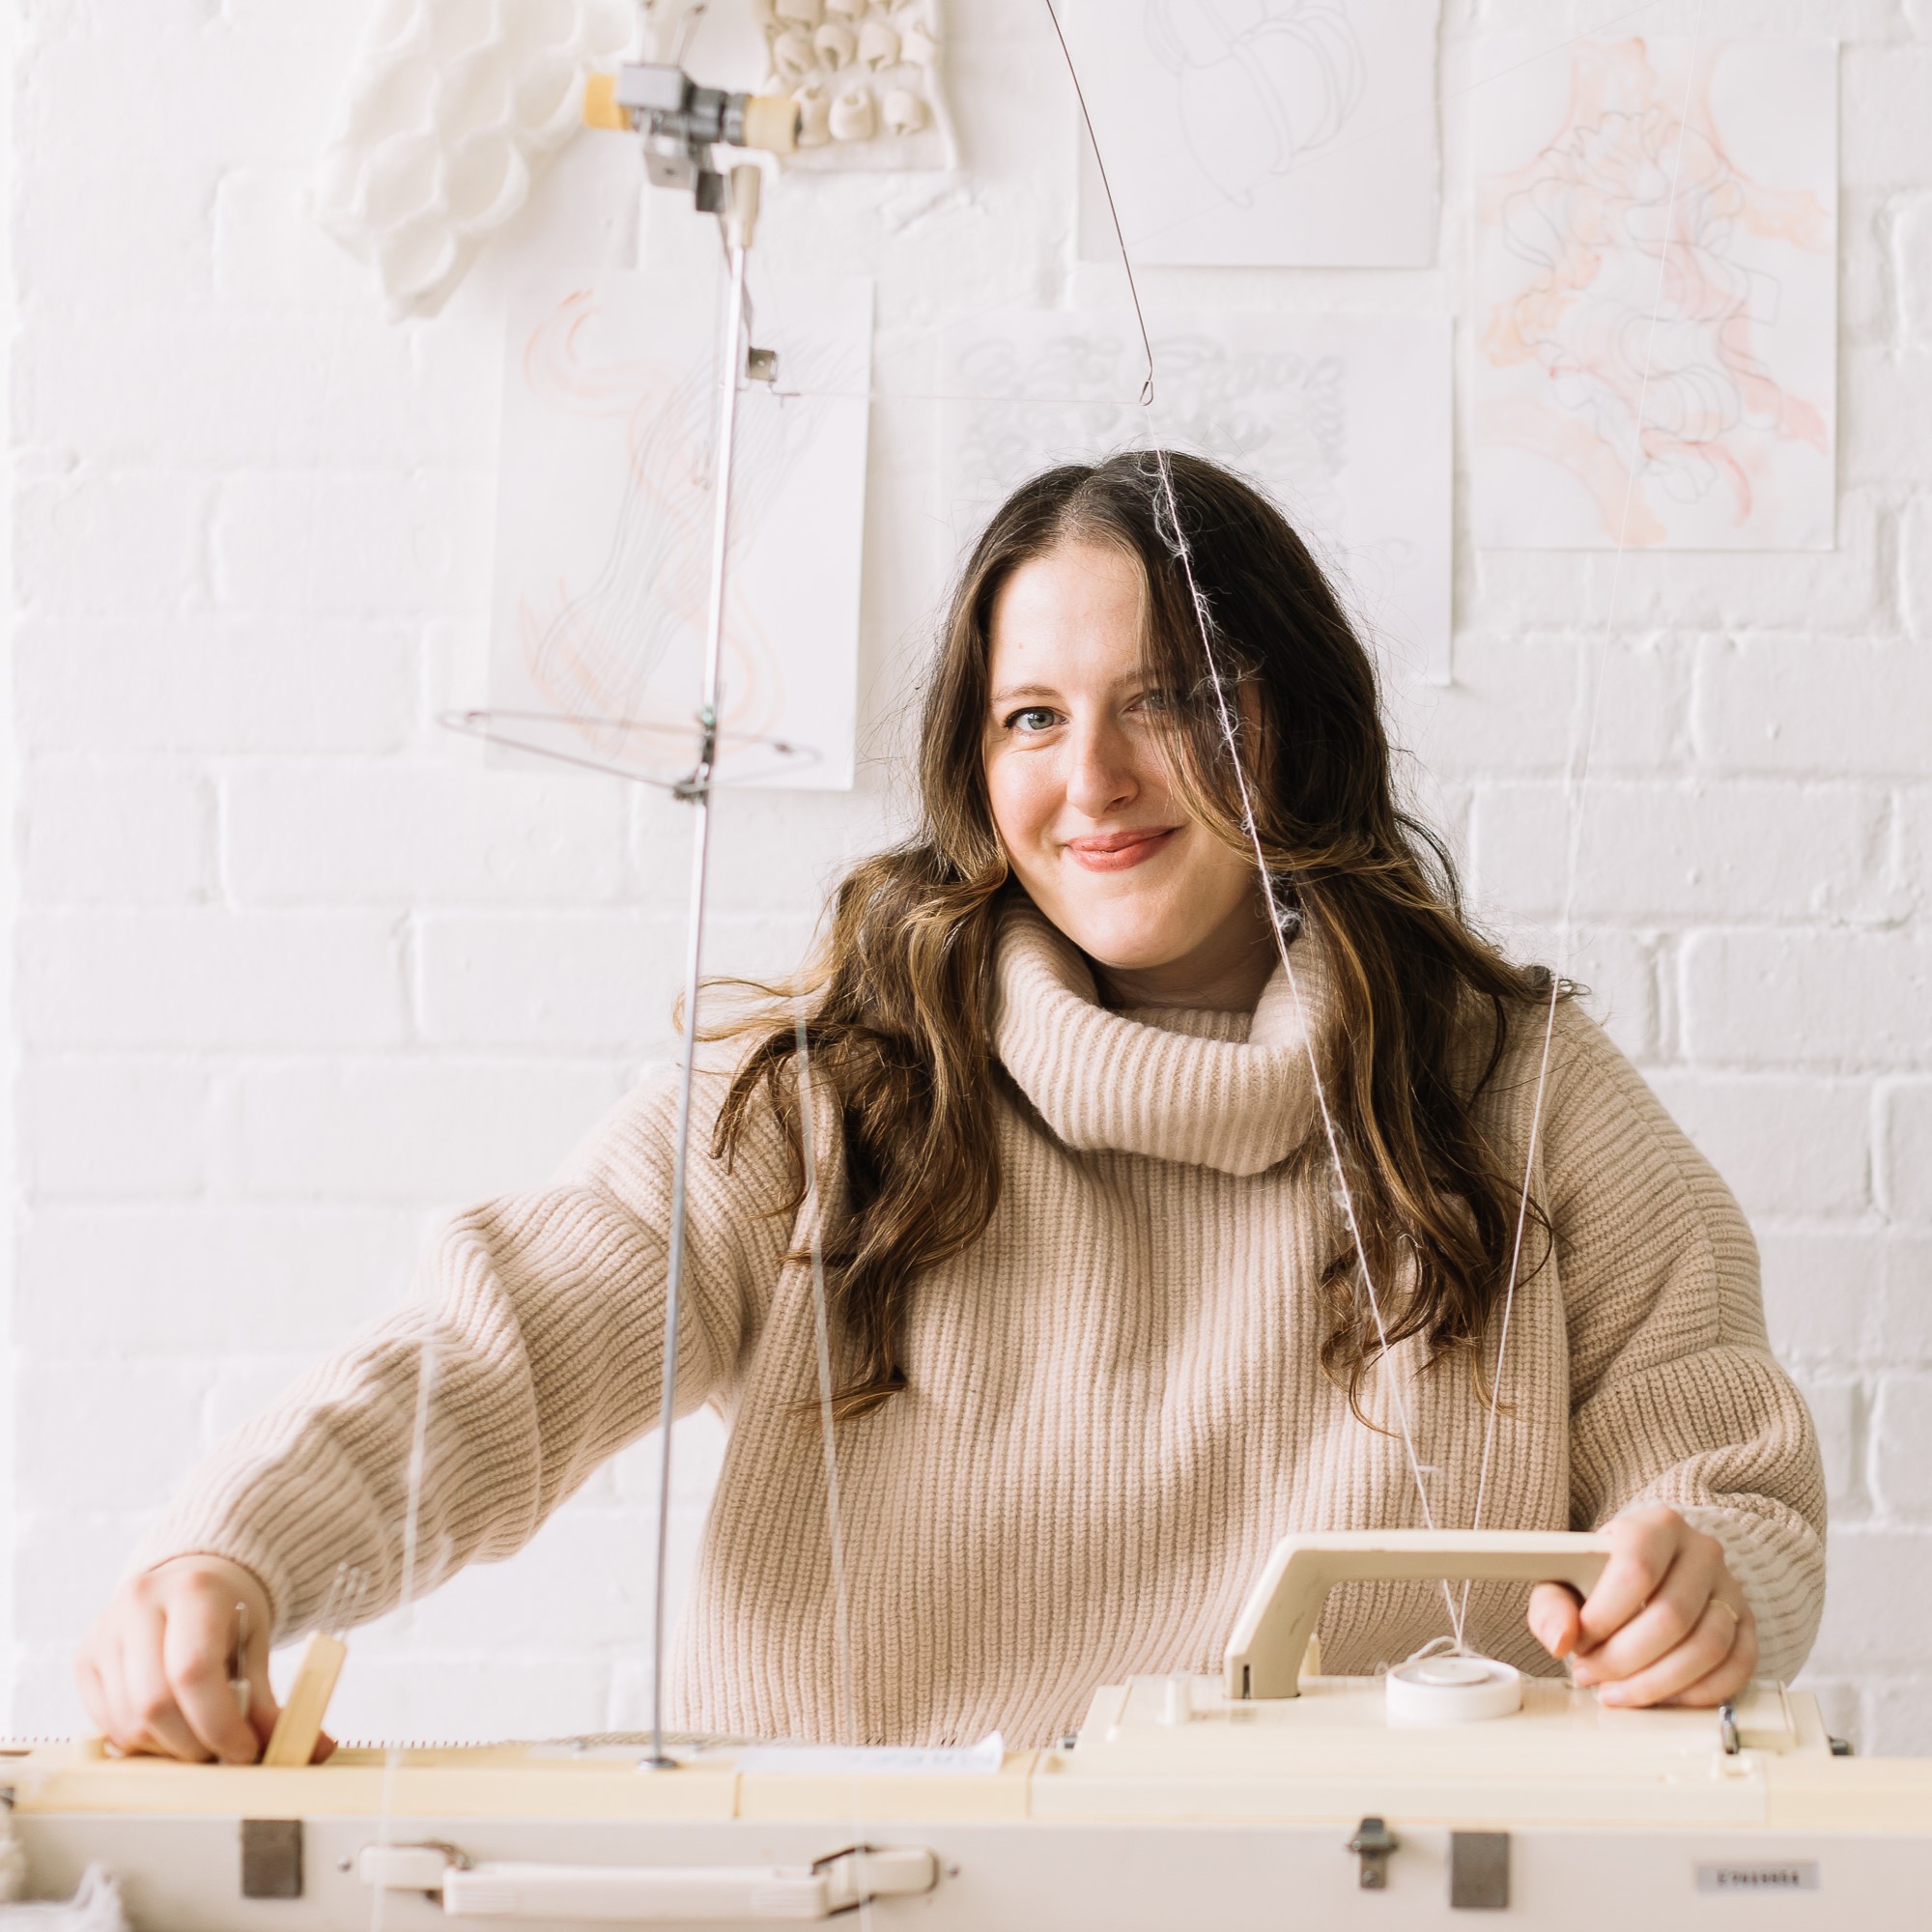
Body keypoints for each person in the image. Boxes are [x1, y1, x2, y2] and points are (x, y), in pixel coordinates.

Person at [76, 452, 1825, 1764]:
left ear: (1293, 722)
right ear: (976, 772)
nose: (1096, 781)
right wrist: (232, 1554)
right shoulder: (840, 1081)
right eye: (1036, 717)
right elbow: (520, 1329)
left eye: (1173, 701)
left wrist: (1710, 1584)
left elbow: (1724, 1470)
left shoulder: (1522, 1096)